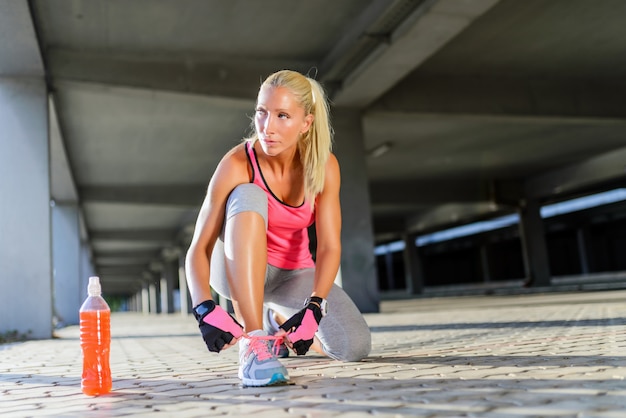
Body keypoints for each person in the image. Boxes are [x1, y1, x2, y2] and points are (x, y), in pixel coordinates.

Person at [185, 69, 371, 387]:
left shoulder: (324, 166)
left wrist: (314, 307)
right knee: (248, 193)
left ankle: (276, 323)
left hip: (291, 274)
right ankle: (254, 344)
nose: (267, 127)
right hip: (232, 269)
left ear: (306, 123)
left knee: (353, 346)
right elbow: (198, 249)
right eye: (262, 113)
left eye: (282, 115)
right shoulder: (237, 163)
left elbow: (329, 246)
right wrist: (204, 307)